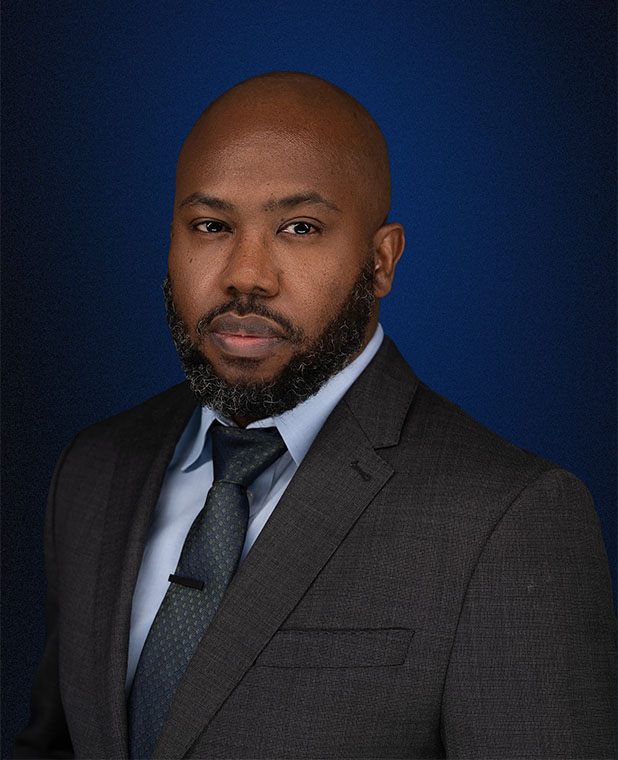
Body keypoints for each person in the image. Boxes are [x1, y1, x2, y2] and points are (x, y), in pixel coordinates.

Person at [15, 72, 616, 760]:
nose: (247, 274)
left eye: (299, 228)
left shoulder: (509, 520)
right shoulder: (92, 470)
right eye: (211, 226)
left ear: (382, 259)